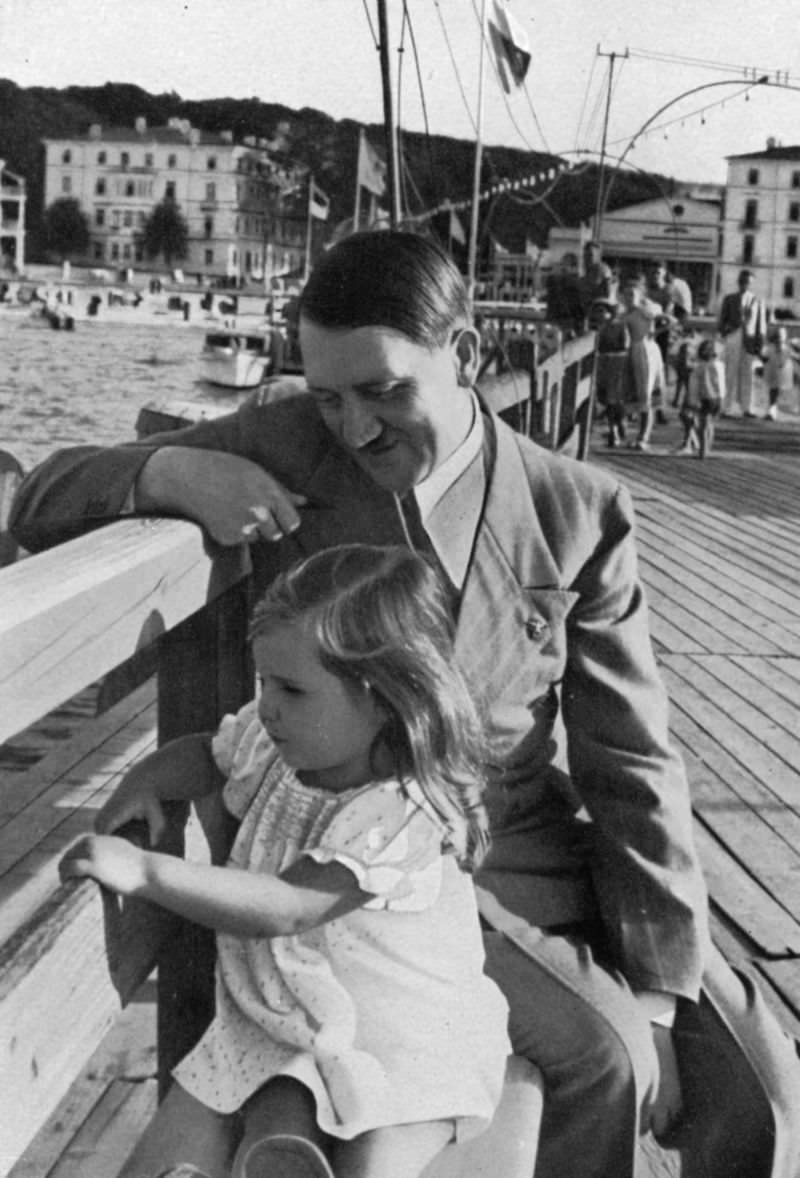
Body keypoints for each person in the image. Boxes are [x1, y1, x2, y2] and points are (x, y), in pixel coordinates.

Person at [11, 230, 800, 1178]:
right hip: (361, 867)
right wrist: (170, 474)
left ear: (464, 356)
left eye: (384, 391)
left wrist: (666, 990)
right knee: (608, 1058)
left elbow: (631, 762)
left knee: (756, 1077)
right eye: (329, 395)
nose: (356, 429)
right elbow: (40, 494)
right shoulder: (288, 440)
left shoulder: (574, 509)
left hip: (526, 847)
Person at [59, 544, 511, 1178]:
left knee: (375, 1161)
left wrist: (146, 871)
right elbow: (207, 753)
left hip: (407, 1039)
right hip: (290, 1018)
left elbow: (289, 906)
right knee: (227, 1130)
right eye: (263, 682)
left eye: (292, 689)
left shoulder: (398, 810)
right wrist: (144, 779)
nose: (268, 705)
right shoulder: (282, 748)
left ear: (383, 698)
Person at [620, 273, 664, 451]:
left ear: (640, 295)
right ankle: (632, 433)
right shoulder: (625, 314)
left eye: (633, 294)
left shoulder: (645, 311)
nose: (629, 298)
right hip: (631, 352)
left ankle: (643, 436)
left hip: (645, 350)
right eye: (626, 294)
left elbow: (665, 317)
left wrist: (655, 331)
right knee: (633, 392)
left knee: (646, 393)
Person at [717, 269, 768, 417]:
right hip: (733, 336)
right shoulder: (729, 299)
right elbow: (722, 321)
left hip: (749, 340)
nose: (744, 284)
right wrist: (726, 331)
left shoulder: (756, 300)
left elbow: (761, 325)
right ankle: (725, 407)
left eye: (747, 282)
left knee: (748, 374)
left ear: (751, 283)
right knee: (729, 372)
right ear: (738, 282)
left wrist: (760, 343)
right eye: (742, 281)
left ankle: (747, 408)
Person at [673, 337, 724, 458]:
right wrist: (721, 398)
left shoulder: (700, 367)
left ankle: (703, 450)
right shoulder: (717, 365)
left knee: (704, 425)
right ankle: (705, 447)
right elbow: (720, 384)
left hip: (706, 398)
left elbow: (694, 385)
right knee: (708, 423)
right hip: (715, 397)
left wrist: (693, 400)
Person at [590, 298, 629, 448]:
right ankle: (617, 426)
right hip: (602, 365)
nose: (600, 314)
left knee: (614, 400)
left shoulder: (620, 326)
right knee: (605, 398)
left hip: (617, 364)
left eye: (603, 311)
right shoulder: (598, 328)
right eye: (597, 311)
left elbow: (625, 345)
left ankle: (615, 430)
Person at [762, 323, 795, 421]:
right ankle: (771, 411)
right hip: (773, 373)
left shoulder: (785, 349)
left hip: (780, 374)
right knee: (773, 391)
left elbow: (783, 361)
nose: (778, 340)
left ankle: (772, 411)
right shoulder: (771, 348)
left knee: (774, 391)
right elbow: (764, 357)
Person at [578, 240, 615, 323]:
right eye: (585, 255)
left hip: (598, 313)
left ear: (598, 255)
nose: (587, 258)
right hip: (586, 312)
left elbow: (607, 292)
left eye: (590, 255)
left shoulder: (601, 269)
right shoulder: (588, 270)